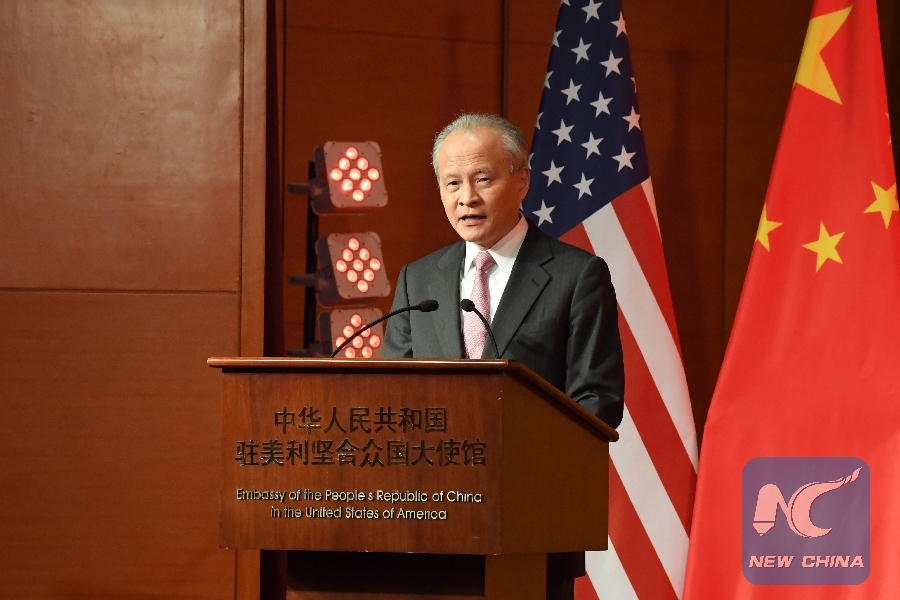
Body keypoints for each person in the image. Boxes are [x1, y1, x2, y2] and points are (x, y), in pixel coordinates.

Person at [382, 113, 625, 600]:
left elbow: (596, 401)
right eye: (452, 183)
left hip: (530, 525)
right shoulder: (418, 278)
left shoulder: (577, 276)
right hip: (427, 525)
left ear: (521, 182)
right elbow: (388, 396)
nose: (466, 197)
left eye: (483, 179)